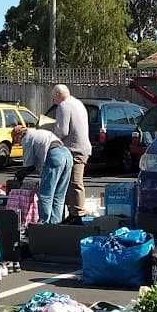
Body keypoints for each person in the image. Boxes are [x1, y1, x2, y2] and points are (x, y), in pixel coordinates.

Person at [11, 123, 71, 224]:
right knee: (58, 196)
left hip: (55, 156)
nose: (19, 145)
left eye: (17, 142)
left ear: (18, 136)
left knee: (45, 195)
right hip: (67, 154)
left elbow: (29, 165)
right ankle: (56, 225)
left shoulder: (27, 139)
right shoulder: (38, 133)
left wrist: (20, 176)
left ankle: (45, 225)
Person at [50, 83, 92, 222]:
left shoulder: (64, 106)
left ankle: (77, 214)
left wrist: (51, 134)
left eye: (53, 98)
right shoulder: (77, 103)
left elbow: (62, 131)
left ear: (58, 95)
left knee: (74, 182)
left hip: (74, 150)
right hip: (82, 148)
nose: (54, 101)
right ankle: (73, 213)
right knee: (71, 182)